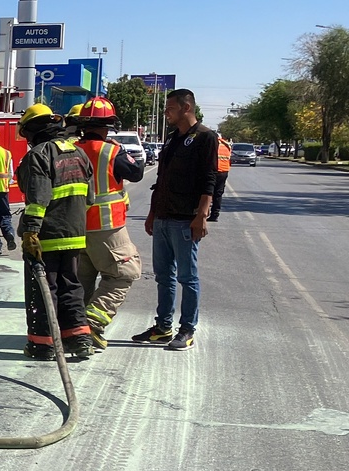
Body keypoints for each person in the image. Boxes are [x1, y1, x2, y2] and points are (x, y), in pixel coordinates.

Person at [133, 88, 216, 351]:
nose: (165, 112)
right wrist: (152, 212)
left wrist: (201, 216)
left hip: (185, 219)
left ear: (186, 108)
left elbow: (209, 181)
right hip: (163, 217)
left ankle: (187, 330)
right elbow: (161, 179)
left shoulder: (205, 138)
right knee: (163, 276)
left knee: (187, 277)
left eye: (170, 108)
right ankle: (163, 327)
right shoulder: (172, 139)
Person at [15, 104, 95, 361]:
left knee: (43, 289)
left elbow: (38, 198)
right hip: (75, 234)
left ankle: (43, 345)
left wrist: (30, 232)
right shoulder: (80, 154)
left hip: (47, 236)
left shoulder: (38, 155)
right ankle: (80, 338)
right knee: (71, 285)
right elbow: (90, 198)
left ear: (34, 132)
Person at [71, 97, 144, 352]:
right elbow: (136, 173)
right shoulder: (111, 151)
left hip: (75, 227)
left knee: (82, 281)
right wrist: (120, 150)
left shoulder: (70, 149)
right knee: (124, 273)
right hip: (107, 227)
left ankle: (74, 330)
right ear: (108, 127)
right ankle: (91, 324)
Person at [209, 134, 230, 221]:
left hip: (213, 170)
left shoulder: (212, 143)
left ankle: (204, 212)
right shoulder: (226, 145)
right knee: (218, 194)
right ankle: (215, 215)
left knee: (208, 191)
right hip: (224, 171)